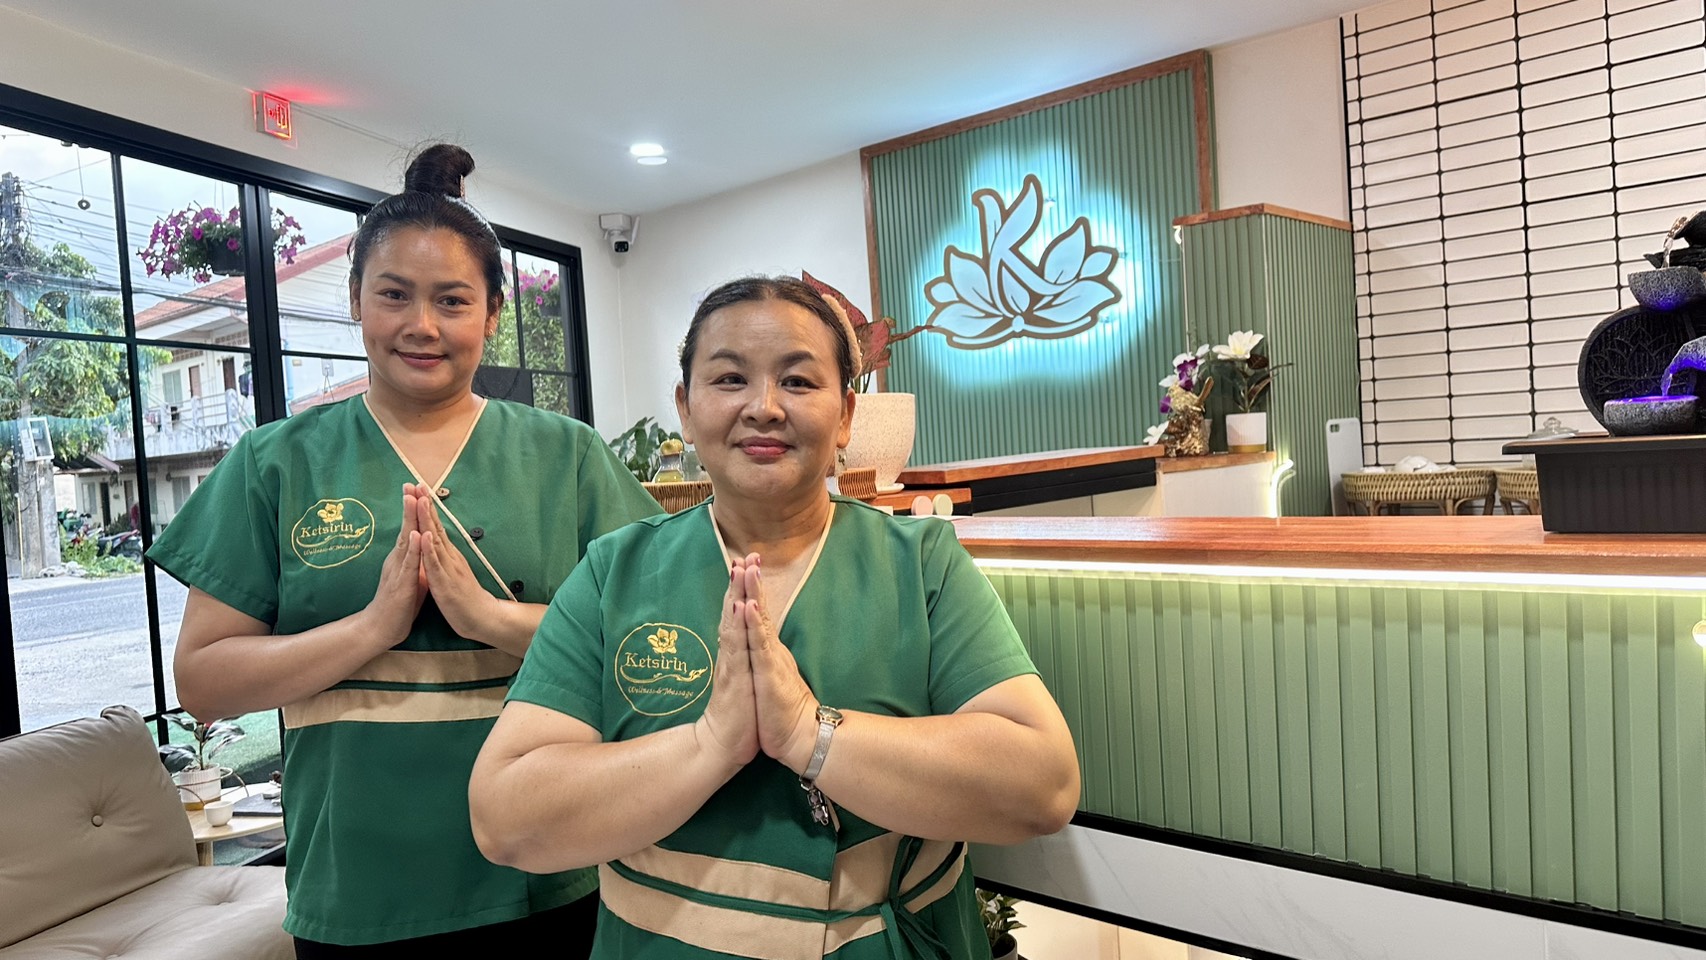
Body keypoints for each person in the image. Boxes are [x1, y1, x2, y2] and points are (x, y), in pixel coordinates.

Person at [469, 275, 1080, 959]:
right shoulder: (615, 575)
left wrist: (808, 735)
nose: (763, 408)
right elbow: (506, 818)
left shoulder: (921, 564)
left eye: (798, 382)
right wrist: (710, 746)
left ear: (846, 413)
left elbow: (1042, 784)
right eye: (729, 380)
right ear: (686, 406)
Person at [148, 144, 661, 956]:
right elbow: (205, 681)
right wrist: (371, 628)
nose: (422, 326)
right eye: (394, 294)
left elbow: (651, 643)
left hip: (547, 856)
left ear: (494, 314)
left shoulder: (568, 457)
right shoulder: (276, 462)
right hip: (359, 879)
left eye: (452, 300)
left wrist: (492, 618)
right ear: (356, 301)